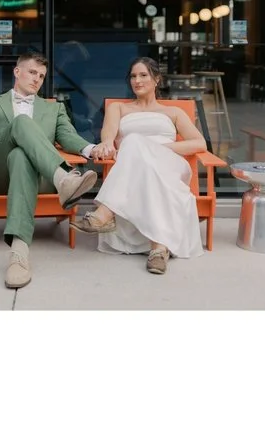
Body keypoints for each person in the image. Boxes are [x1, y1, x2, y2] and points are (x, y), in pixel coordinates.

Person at [0, 51, 99, 290]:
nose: (37, 79)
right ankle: (64, 179)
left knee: (20, 156)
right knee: (20, 123)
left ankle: (19, 254)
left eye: (41, 75)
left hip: (39, 178)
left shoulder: (54, 109)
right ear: (17, 72)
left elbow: (69, 137)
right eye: (32, 72)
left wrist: (92, 149)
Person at [71, 55, 206, 274]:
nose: (137, 80)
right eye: (133, 76)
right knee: (134, 146)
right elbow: (108, 134)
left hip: (170, 164)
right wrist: (106, 143)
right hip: (137, 168)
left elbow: (199, 142)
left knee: (133, 141)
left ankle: (104, 213)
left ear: (156, 80)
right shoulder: (118, 108)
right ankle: (159, 248)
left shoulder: (173, 112)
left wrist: (155, 148)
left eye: (143, 75)